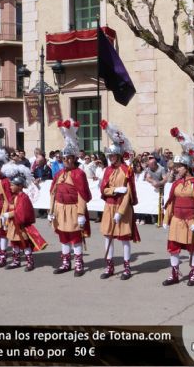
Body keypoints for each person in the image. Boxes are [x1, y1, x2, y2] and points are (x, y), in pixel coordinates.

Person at [161, 128, 194, 286]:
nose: (177, 169)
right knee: (173, 247)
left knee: (193, 248)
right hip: (177, 220)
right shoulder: (176, 183)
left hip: (190, 220)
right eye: (177, 166)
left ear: (188, 167)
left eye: (180, 166)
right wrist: (166, 219)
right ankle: (174, 273)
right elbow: (171, 202)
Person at [98, 120, 140, 280]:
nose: (111, 158)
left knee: (124, 238)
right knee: (108, 236)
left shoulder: (126, 170)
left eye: (113, 155)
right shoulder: (108, 170)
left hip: (123, 208)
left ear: (119, 156)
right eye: (109, 155)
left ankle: (127, 267)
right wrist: (114, 190)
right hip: (109, 206)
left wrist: (121, 212)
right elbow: (104, 189)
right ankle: (109, 266)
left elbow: (128, 192)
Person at [50, 119, 92, 277]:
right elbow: (53, 192)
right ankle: (66, 262)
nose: (66, 161)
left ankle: (79, 263)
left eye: (69, 158)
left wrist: (81, 214)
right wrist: (51, 210)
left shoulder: (79, 174)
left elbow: (82, 194)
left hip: (74, 209)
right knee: (63, 236)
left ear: (74, 159)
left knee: (75, 237)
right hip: (61, 210)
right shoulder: (59, 174)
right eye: (64, 158)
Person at [0, 165, 47, 272]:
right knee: (14, 243)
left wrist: (9, 214)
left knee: (24, 243)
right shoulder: (14, 197)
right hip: (13, 225)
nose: (10, 187)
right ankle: (16, 261)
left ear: (20, 186)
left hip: (20, 226)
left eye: (12, 185)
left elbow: (21, 212)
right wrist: (5, 219)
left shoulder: (23, 197)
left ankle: (30, 262)